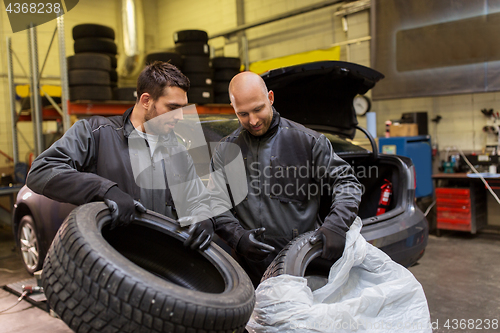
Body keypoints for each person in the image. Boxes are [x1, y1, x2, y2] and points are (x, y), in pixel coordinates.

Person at [27, 61, 214, 250]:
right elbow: (42, 170)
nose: (180, 117)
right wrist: (105, 190)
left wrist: (204, 217)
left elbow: (196, 199)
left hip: (163, 263)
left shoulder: (178, 150)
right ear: (146, 100)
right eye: (172, 108)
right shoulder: (97, 133)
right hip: (110, 260)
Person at [208, 71, 362, 286]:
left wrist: (336, 225)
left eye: (258, 109)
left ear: (270, 98)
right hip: (249, 270)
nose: (252, 121)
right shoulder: (226, 150)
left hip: (301, 265)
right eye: (242, 114)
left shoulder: (308, 142)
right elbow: (216, 201)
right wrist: (238, 238)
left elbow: (346, 183)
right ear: (233, 109)